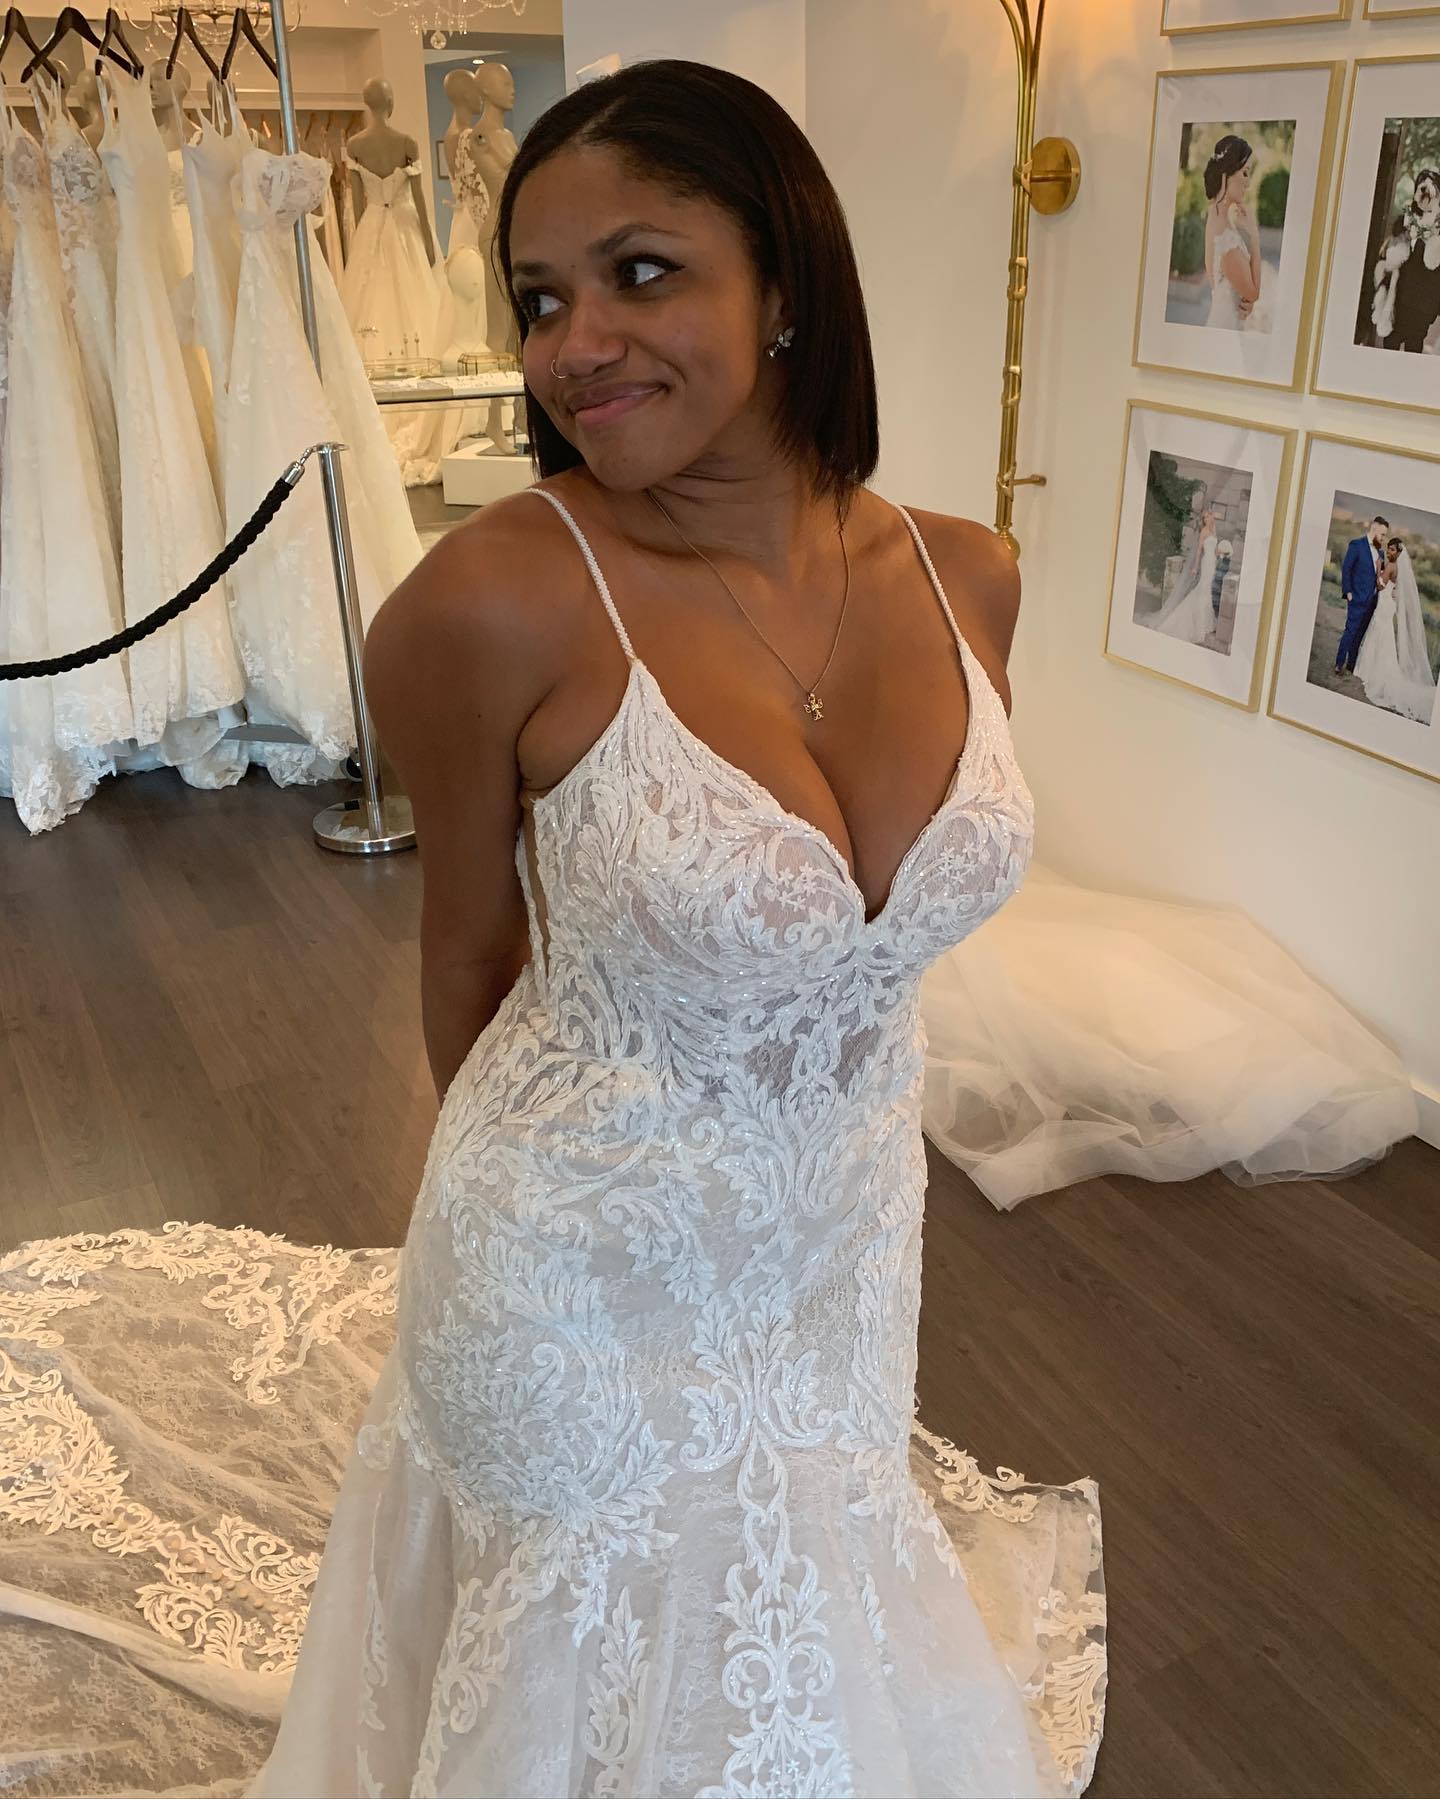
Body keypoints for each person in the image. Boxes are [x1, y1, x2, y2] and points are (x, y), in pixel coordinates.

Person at [249, 59, 1106, 1799]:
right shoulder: (489, 602)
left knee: (784, 1625)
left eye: (641, 272)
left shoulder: (972, 574)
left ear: (784, 284)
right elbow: (465, 960)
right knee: (580, 1653)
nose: (577, 345)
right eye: (541, 300)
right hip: (570, 1260)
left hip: (843, 1241)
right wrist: (562, 1238)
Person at [1203, 135, 1263, 332]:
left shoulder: (1214, 216)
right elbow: (1253, 293)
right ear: (1226, 175)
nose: (1248, 183)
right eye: (1245, 173)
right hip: (1226, 331)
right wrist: (1254, 237)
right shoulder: (1226, 240)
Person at [1335, 513, 1388, 677]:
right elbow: (1347, 568)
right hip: (1356, 598)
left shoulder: (1381, 553)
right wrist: (1348, 592)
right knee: (1350, 631)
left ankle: (1351, 666)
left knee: (1360, 634)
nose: (1383, 538)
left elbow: (1381, 575)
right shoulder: (1356, 545)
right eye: (1382, 534)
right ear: (1374, 528)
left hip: (1372, 601)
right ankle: (1339, 664)